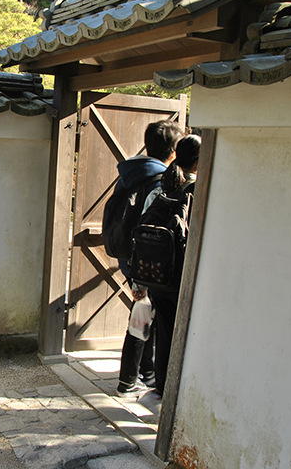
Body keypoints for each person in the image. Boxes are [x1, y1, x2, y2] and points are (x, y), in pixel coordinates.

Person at [113, 120, 184, 397]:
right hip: (146, 259)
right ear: (174, 150)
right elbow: (148, 229)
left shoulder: (133, 173)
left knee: (145, 313)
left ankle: (146, 373)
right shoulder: (159, 180)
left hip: (130, 256)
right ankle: (128, 379)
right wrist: (141, 276)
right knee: (142, 315)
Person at [140, 133, 201, 403]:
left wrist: (139, 280)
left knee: (163, 331)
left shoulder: (161, 188)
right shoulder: (199, 191)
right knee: (185, 332)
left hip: (156, 274)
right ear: (199, 161)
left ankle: (162, 386)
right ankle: (179, 389)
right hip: (181, 275)